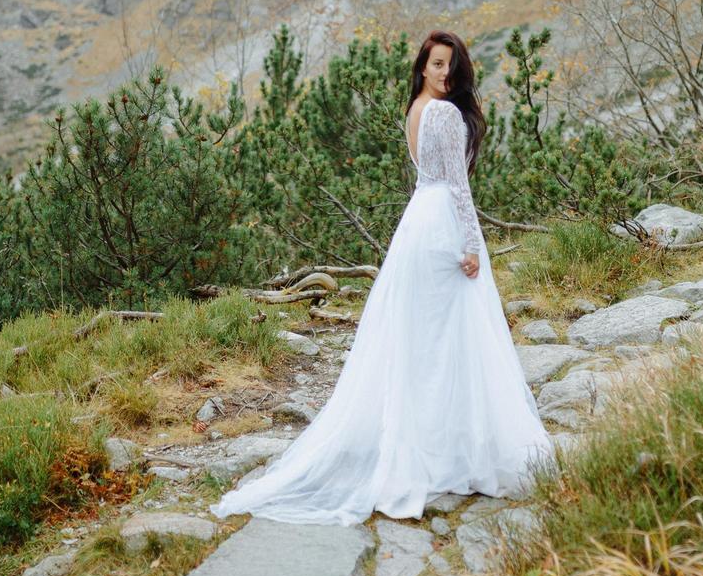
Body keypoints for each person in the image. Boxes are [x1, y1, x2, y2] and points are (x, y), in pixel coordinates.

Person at [209, 30, 554, 526]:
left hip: (417, 223)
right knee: (453, 340)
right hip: (442, 226)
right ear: (422, 66)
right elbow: (457, 185)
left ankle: (429, 449)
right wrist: (473, 244)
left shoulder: (415, 109)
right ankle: (450, 453)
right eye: (437, 64)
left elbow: (435, 177)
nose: (444, 74)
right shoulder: (443, 113)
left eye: (451, 67)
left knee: (424, 343)